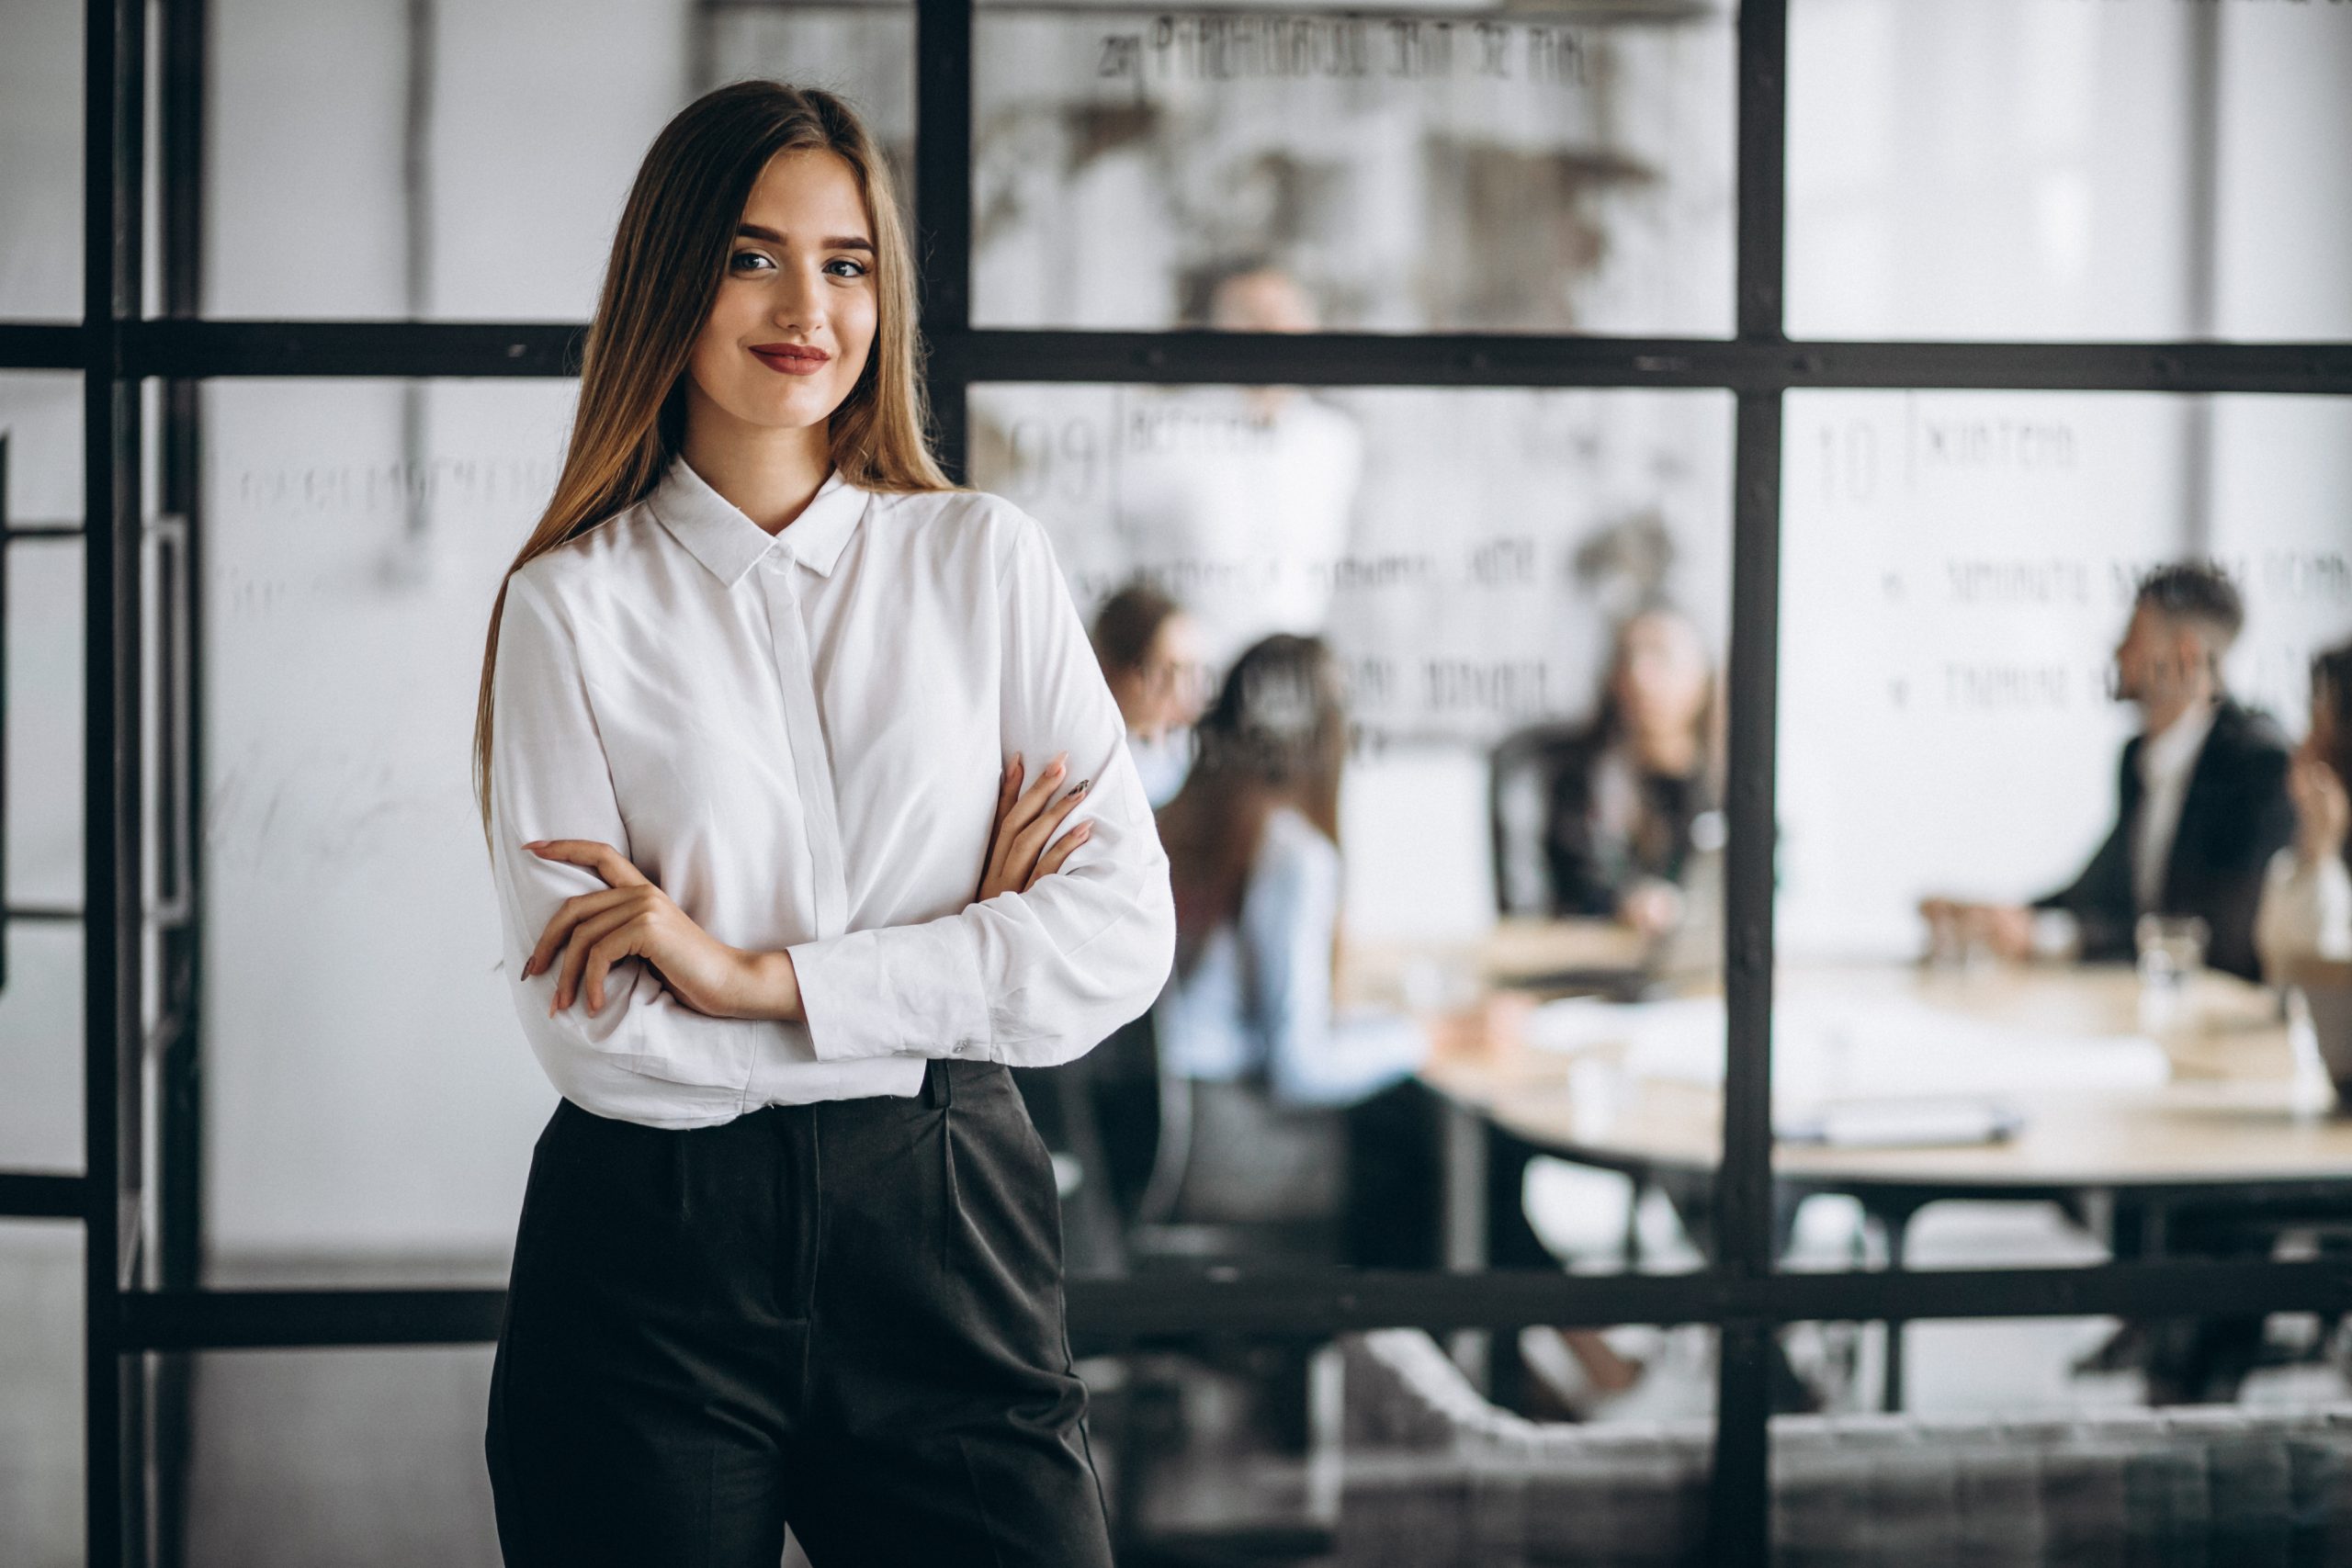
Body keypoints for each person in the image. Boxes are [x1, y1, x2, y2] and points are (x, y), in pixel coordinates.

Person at [470, 83, 1173, 1567]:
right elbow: (596, 1037)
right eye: (751, 254)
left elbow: (1117, 938)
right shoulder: (567, 609)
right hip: (648, 1267)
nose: (808, 303)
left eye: (847, 261)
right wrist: (948, 969)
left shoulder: (984, 563)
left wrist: (748, 977)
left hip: (949, 1231)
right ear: (672, 276)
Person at [1927, 562, 2295, 983]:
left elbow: (2209, 935)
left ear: (2185, 655)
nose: (2118, 654)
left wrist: (2051, 937)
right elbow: (2101, 892)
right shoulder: (2138, 759)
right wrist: (2004, 917)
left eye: (2132, 638)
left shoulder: (2257, 767)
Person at [1495, 603, 1723, 940]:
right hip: (1586, 967)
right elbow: (1557, 896)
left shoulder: (1720, 785)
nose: (1640, 675)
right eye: (1628, 658)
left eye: (1661, 657)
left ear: (1703, 677)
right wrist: (1624, 905)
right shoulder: (1569, 778)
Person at [2256, 640, 2352, 978]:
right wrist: (2317, 853)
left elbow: (2326, 980)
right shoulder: (2299, 856)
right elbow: (2286, 978)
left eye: (2322, 725)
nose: (2304, 745)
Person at [1091, 581, 1208, 808]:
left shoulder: (1195, 761)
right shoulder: (1091, 770)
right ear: (1111, 670)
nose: (1179, 690)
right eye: (1161, 672)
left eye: (1190, 670)